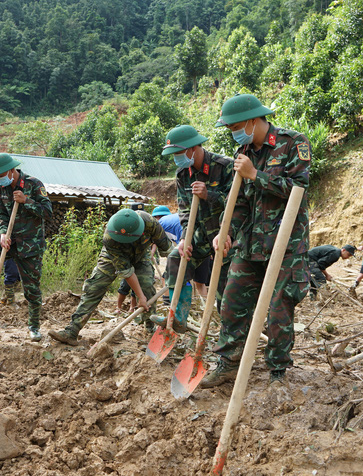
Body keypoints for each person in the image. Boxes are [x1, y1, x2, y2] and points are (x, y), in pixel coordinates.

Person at [202, 93, 311, 387]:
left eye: (234, 126)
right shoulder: (244, 151)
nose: (232, 133)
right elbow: (240, 203)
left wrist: (256, 175)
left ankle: (277, 372)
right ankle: (227, 363)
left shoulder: (292, 143)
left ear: (252, 120)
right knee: (231, 300)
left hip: (285, 245)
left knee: (278, 308)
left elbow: (298, 189)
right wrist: (225, 233)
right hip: (249, 243)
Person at [148, 125, 234, 334]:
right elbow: (185, 211)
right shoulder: (182, 174)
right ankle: (178, 316)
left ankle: (229, 333)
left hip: (227, 233)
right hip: (200, 234)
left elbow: (239, 203)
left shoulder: (224, 167)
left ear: (194, 148)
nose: (177, 158)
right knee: (177, 257)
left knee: (224, 286)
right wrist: (185, 238)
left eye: (179, 153)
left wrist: (209, 195)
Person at [49, 208, 172, 345]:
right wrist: (139, 296)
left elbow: (167, 249)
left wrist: (177, 268)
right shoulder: (110, 237)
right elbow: (127, 273)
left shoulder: (150, 222)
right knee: (94, 287)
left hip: (141, 255)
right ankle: (71, 331)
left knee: (147, 287)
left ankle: (150, 330)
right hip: (111, 256)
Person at [0, 153, 53, 342]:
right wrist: (1, 234)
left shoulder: (34, 184)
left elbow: (47, 212)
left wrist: (27, 201)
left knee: (31, 288)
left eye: (0, 175)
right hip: (10, 240)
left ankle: (34, 326)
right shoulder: (1, 188)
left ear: (10, 170)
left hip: (30, 244)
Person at [114, 203, 145, 315]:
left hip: (140, 258)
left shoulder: (144, 224)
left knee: (137, 287)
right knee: (125, 285)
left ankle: (133, 307)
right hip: (126, 260)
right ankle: (118, 307)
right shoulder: (122, 225)